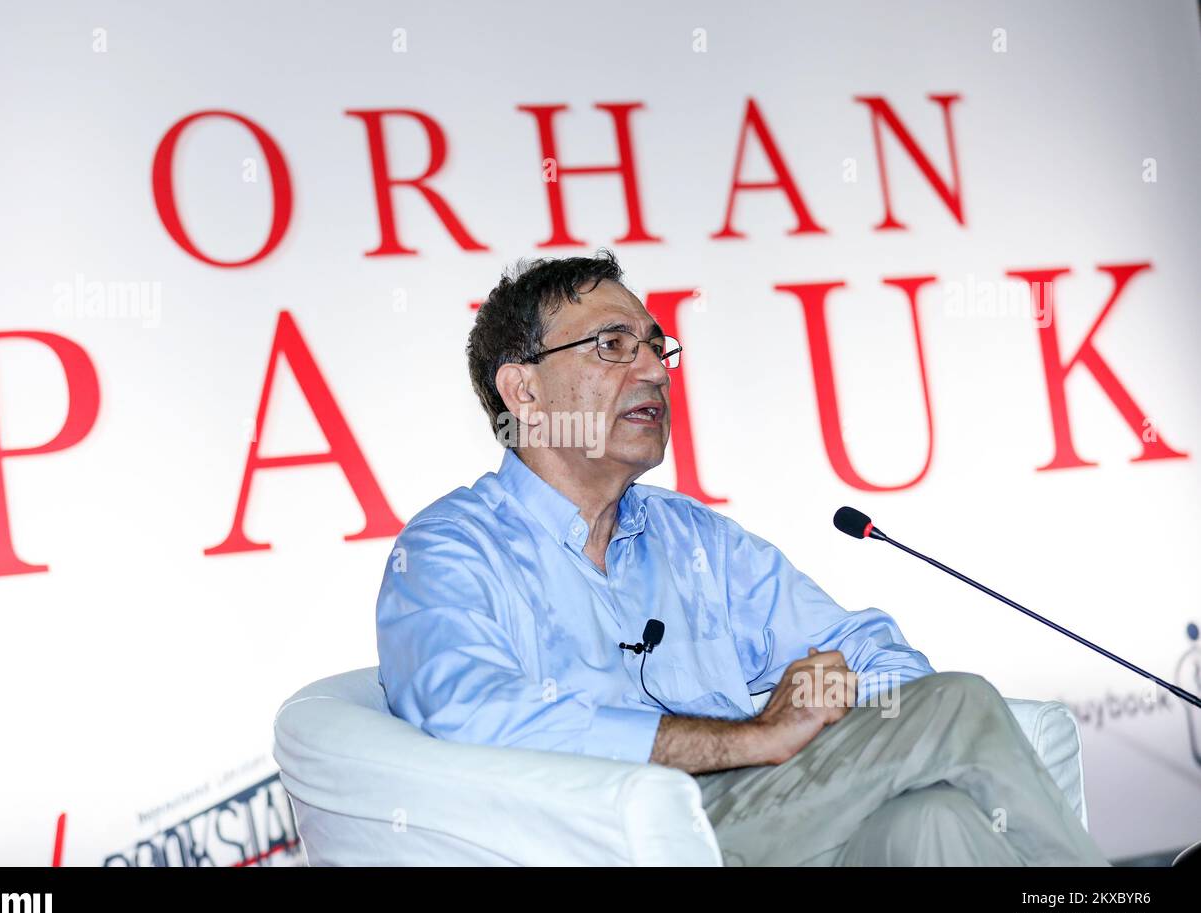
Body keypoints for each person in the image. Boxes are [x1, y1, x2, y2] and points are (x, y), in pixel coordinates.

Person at [375, 249, 1109, 866]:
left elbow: (873, 653)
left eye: (656, 346)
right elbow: (473, 714)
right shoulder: (450, 550)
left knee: (933, 824)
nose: (655, 371)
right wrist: (750, 739)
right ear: (524, 390)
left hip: (768, 818)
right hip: (611, 843)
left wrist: (824, 710)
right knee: (957, 702)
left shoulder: (695, 542)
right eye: (612, 345)